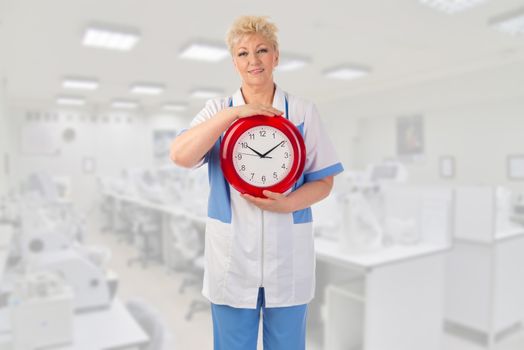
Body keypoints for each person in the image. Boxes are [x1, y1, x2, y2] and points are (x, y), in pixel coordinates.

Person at [170, 15, 343, 350]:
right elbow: (180, 155)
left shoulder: (303, 111)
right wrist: (234, 114)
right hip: (232, 258)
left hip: (288, 258)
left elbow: (324, 182)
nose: (254, 60)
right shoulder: (218, 109)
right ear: (234, 62)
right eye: (243, 53)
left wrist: (289, 203)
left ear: (276, 56)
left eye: (262, 50)